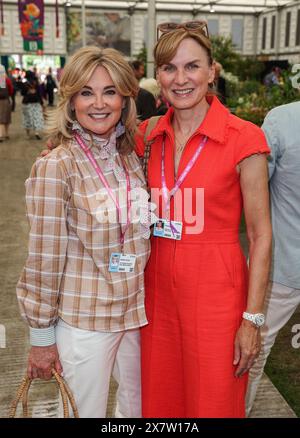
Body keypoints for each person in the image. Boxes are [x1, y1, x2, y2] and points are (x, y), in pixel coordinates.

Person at [135, 20, 272, 418]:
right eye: (169, 68)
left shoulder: (243, 138)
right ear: (157, 75)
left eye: (192, 66)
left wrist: (252, 320)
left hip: (217, 295)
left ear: (213, 71)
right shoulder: (146, 135)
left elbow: (262, 237)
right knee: (161, 403)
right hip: (156, 295)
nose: (180, 79)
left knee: (213, 404)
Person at [16, 46, 151, 418]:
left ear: (125, 99)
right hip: (86, 320)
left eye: (110, 91)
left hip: (136, 314)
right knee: (82, 412)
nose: (99, 103)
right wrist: (42, 339)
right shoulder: (57, 164)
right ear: (70, 99)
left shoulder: (129, 156)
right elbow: (44, 258)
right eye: (86, 92)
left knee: (137, 409)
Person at [246, 101, 300, 415]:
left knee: (255, 348)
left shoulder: (283, 119)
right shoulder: (283, 120)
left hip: (282, 261)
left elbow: (253, 182)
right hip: (283, 261)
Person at [21, 70, 44, 140]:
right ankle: (36, 133)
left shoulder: (25, 83)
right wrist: (42, 103)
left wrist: (28, 91)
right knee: (36, 117)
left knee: (27, 118)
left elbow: (22, 93)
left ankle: (28, 134)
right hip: (36, 102)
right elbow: (39, 94)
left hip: (26, 103)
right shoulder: (36, 83)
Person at [0, 67, 13, 141]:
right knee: (6, 118)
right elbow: (11, 90)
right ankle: (5, 134)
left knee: (1, 118)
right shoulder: (6, 80)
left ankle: (1, 134)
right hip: (5, 100)